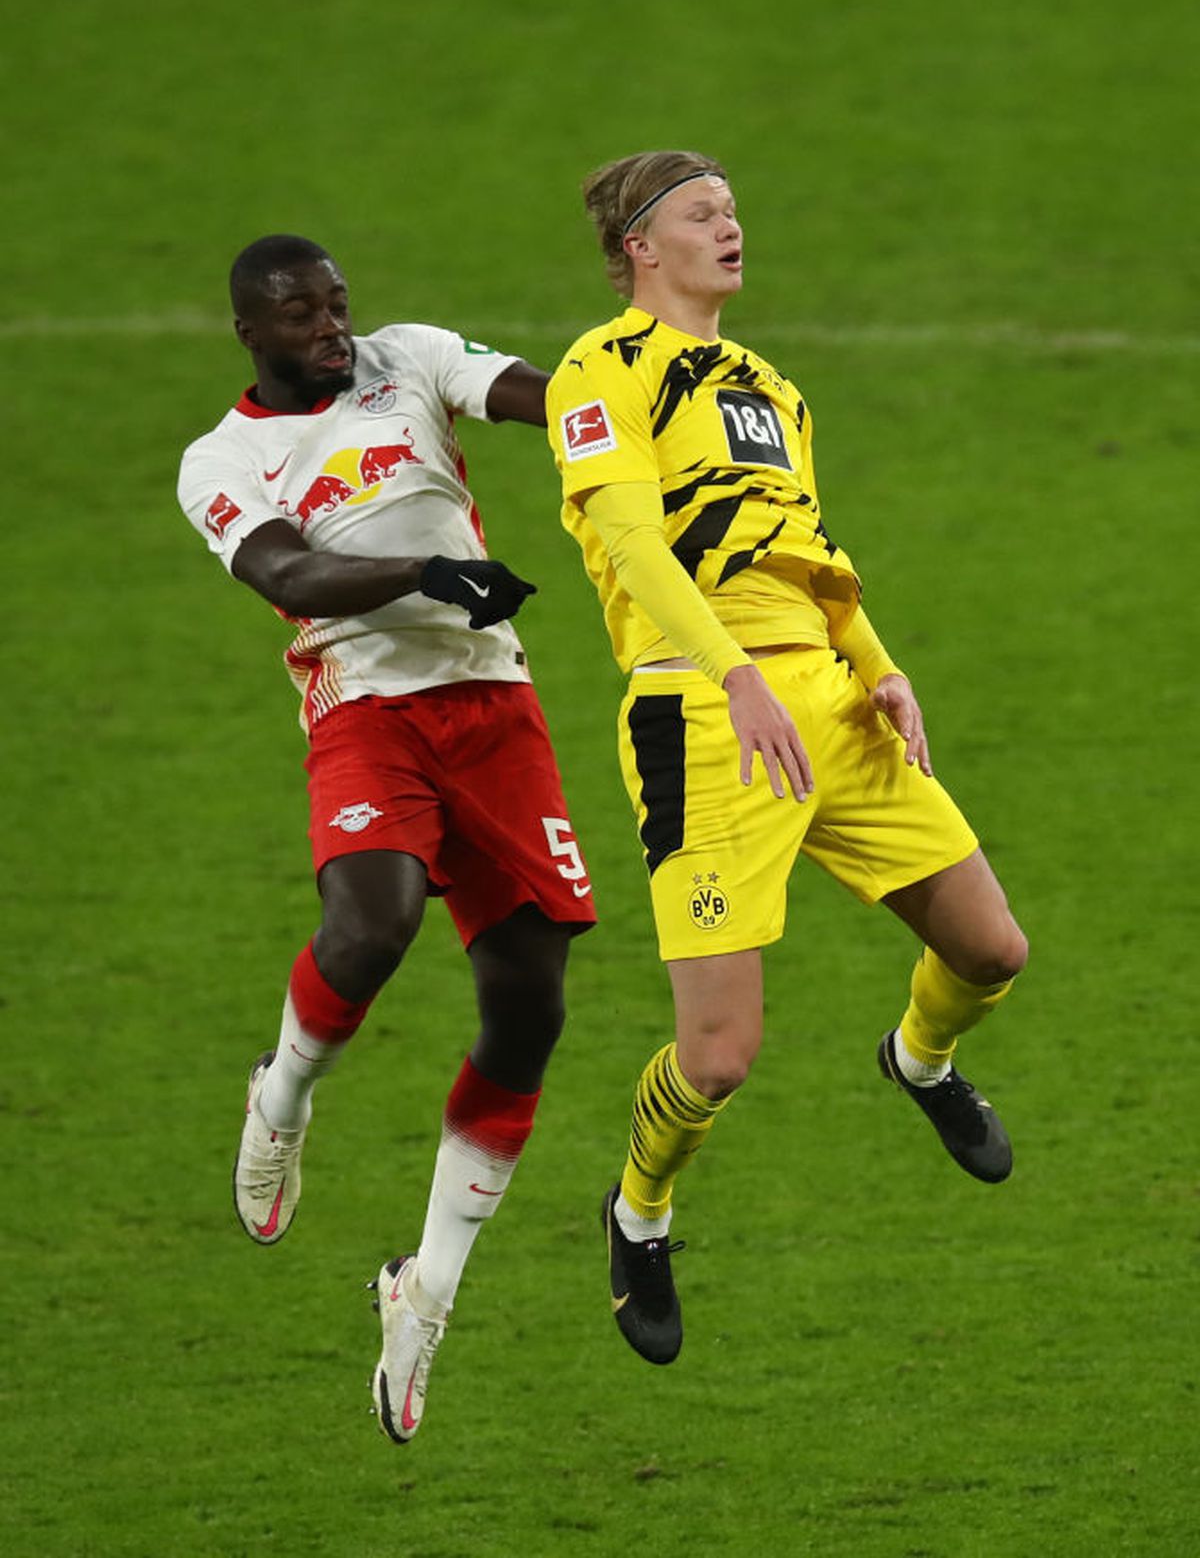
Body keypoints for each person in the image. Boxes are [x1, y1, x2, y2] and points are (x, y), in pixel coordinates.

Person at [545, 152, 1028, 1366]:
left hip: (821, 694)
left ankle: (920, 1059)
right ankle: (639, 1210)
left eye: (735, 208)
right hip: (701, 711)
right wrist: (735, 674)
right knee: (718, 1057)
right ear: (641, 247)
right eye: (703, 212)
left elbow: (800, 543)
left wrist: (876, 659)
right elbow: (634, 545)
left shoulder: (772, 388)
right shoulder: (600, 372)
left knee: (989, 947)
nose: (732, 225)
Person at [177, 234, 594, 1440]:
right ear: (250, 331)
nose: (332, 328)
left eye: (337, 304)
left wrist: (620, 396)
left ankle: (426, 1292)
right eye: (302, 315)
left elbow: (537, 395)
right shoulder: (226, 455)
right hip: (366, 708)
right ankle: (285, 1094)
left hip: (494, 705)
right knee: (374, 924)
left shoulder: (404, 359)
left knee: (532, 1007)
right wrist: (427, 570)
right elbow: (291, 574)